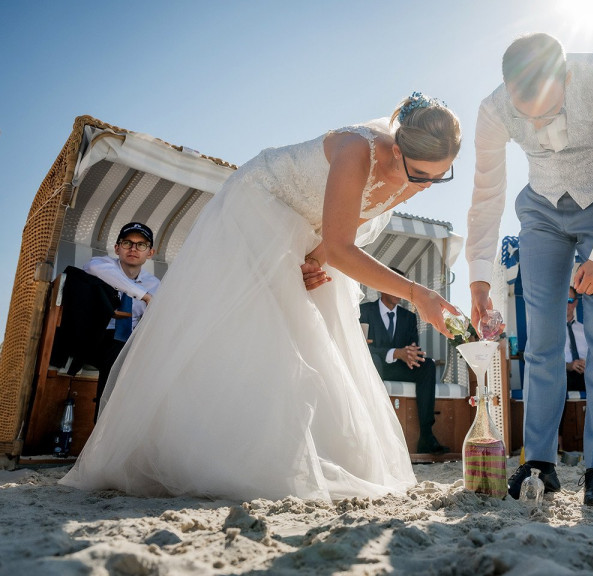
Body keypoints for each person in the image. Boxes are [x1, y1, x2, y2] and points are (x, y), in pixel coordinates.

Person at [61, 93, 461, 502]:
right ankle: (215, 450)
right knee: (255, 326)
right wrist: (417, 293)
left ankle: (308, 453)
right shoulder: (357, 148)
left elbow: (349, 223)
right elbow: (345, 246)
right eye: (422, 174)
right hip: (262, 202)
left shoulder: (415, 179)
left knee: (320, 324)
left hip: (311, 230)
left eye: (440, 176)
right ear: (397, 150)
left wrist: (315, 259)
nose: (428, 186)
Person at [466, 33, 593, 506]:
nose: (536, 120)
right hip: (541, 212)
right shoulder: (492, 109)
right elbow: (487, 194)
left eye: (545, 106)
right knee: (542, 339)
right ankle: (540, 462)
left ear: (565, 75)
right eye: (524, 107)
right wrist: (479, 279)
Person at [360, 269, 450, 455]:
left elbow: (412, 348)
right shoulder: (364, 311)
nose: (402, 292)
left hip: (398, 369)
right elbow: (359, 347)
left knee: (427, 365)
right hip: (372, 368)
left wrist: (411, 354)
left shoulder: (409, 317)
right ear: (382, 287)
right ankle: (372, 433)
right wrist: (395, 353)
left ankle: (426, 437)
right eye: (397, 286)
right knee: (373, 358)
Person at [82, 222, 161, 420]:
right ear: (117, 248)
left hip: (131, 342)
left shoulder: (155, 284)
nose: (134, 249)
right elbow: (96, 269)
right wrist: (144, 296)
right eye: (128, 243)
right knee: (117, 352)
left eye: (141, 245)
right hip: (96, 337)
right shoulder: (102, 265)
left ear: (150, 252)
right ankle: (101, 425)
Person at [564, 286, 586, 393]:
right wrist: (568, 366)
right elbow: (546, 360)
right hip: (561, 377)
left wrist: (588, 363)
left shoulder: (586, 330)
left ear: (576, 303)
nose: (566, 304)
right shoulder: (551, 332)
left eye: (569, 300)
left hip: (586, 376)